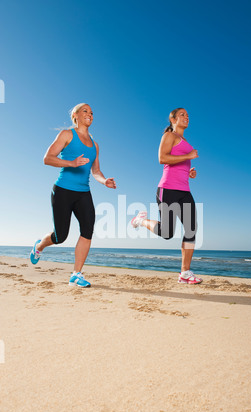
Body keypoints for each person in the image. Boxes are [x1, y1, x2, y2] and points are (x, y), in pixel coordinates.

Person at [30, 103, 116, 287]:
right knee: (60, 237)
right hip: (62, 191)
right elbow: (47, 158)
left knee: (88, 229)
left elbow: (96, 170)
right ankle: (39, 246)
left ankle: (76, 274)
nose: (90, 114)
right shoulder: (67, 134)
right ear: (75, 115)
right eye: (85, 111)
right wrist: (71, 163)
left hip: (83, 193)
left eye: (92, 112)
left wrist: (104, 181)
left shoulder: (95, 145)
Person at [131, 108, 202, 284]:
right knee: (167, 233)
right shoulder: (169, 136)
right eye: (182, 115)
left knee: (191, 228)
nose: (186, 117)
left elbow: (179, 165)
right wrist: (188, 155)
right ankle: (140, 221)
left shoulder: (186, 141)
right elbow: (162, 158)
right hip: (167, 189)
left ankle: (185, 273)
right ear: (173, 119)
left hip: (184, 190)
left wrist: (189, 172)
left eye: (187, 115)